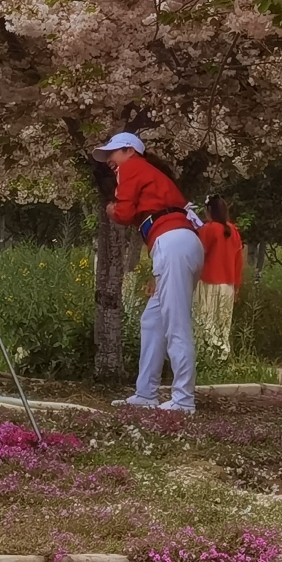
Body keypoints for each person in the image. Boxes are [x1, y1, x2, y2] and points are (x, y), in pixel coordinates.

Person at [96, 132, 203, 413]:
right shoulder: (151, 173)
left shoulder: (131, 167)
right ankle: (146, 393)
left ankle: (183, 399)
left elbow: (125, 211)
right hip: (177, 241)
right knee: (152, 320)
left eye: (113, 152)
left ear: (130, 150)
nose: (109, 159)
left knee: (175, 324)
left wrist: (111, 209)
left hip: (171, 242)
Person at [194, 196, 243, 357]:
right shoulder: (233, 231)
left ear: (209, 211)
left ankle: (205, 356)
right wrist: (236, 287)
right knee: (223, 323)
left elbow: (199, 254)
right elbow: (238, 261)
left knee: (205, 321)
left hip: (209, 281)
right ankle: (222, 355)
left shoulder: (208, 229)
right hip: (228, 284)